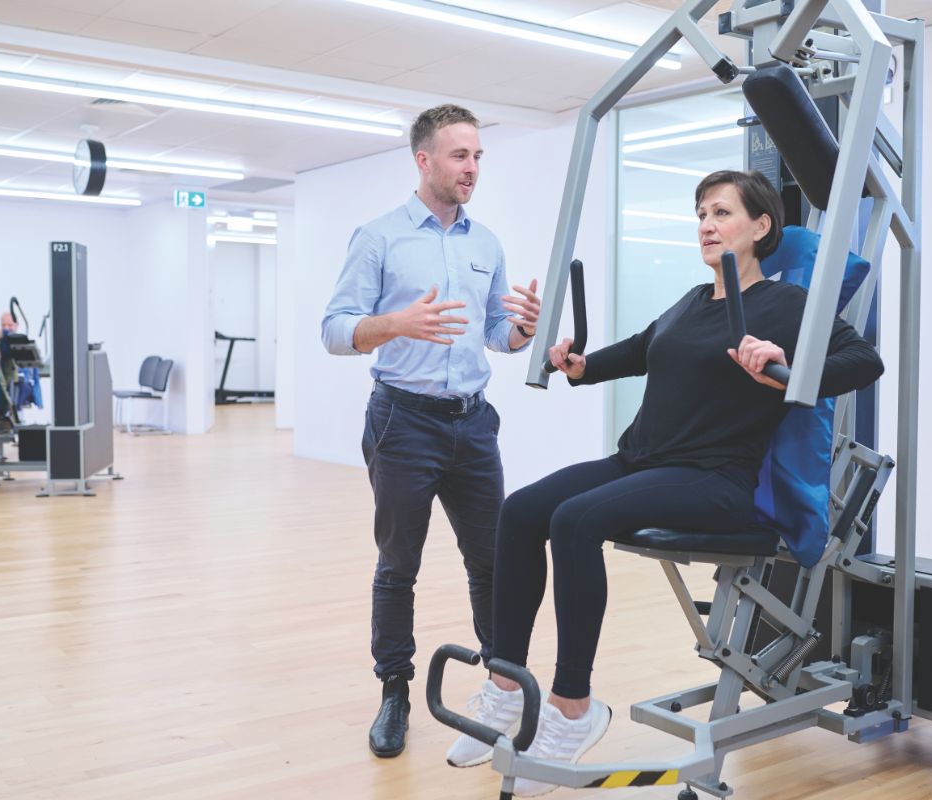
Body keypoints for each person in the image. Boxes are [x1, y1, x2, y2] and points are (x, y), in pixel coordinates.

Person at [449, 170, 885, 796]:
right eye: (701, 212)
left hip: (716, 478)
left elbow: (866, 361)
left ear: (761, 229)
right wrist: (578, 365)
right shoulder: (690, 300)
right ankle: (506, 687)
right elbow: (636, 351)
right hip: (643, 461)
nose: (706, 224)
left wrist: (785, 368)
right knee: (520, 511)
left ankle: (574, 706)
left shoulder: (788, 306)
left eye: (722, 213)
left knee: (575, 520)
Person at [321, 104, 542, 760]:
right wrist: (395, 323)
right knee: (399, 566)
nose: (471, 168)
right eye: (458, 156)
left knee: (493, 560)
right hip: (403, 422)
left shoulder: (487, 244)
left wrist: (523, 330)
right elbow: (335, 330)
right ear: (425, 161)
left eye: (477, 156)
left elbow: (498, 337)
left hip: (473, 423)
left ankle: (502, 687)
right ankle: (395, 691)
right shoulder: (381, 236)